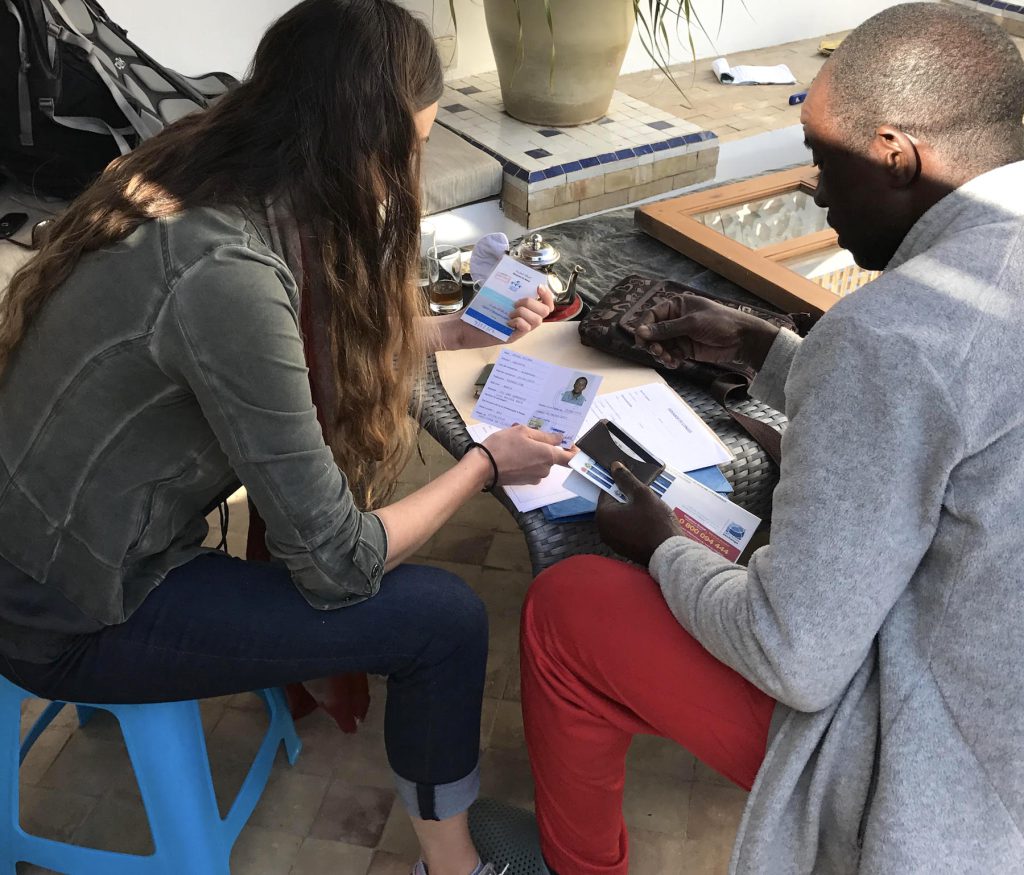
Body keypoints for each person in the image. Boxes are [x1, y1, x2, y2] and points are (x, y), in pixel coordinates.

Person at [0, 3, 575, 874]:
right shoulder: (224, 274)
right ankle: (454, 866)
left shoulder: (199, 174)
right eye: (407, 152)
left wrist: (449, 332)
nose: (403, 179)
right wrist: (486, 465)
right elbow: (338, 563)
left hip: (45, 543)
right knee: (444, 619)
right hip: (68, 609)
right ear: (356, 142)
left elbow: (291, 340)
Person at [516, 4, 1024, 873]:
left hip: (941, 779)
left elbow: (794, 655)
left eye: (825, 161)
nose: (816, 189)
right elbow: (956, 411)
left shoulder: (898, 330)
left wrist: (665, 546)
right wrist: (765, 348)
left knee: (568, 609)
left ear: (897, 157)